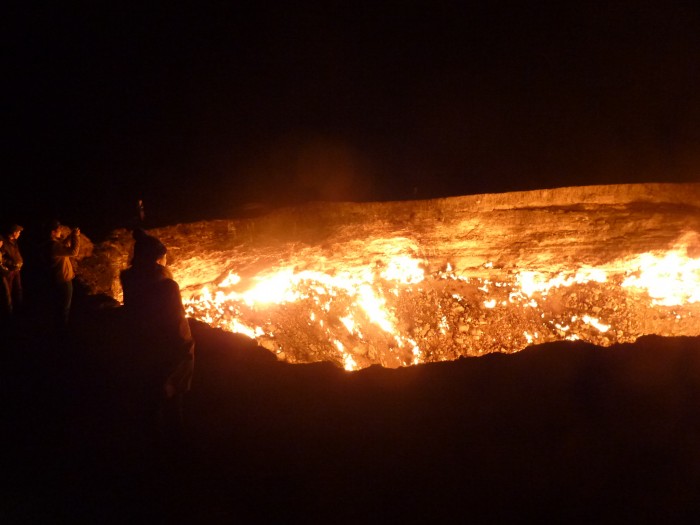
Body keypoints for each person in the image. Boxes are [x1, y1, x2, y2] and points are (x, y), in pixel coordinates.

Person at [119, 228, 195, 442]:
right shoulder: (167, 285)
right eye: (163, 256)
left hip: (141, 346)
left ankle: (150, 440)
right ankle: (174, 444)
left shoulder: (131, 278)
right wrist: (186, 348)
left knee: (149, 396)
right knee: (171, 397)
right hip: (166, 348)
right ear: (157, 258)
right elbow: (176, 322)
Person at [48, 220, 81, 329]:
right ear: (52, 232)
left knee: (59, 306)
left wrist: (70, 236)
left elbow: (64, 246)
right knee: (64, 308)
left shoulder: (53, 244)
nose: (60, 232)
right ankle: (62, 330)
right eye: (58, 230)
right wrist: (76, 236)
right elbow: (73, 252)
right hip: (63, 281)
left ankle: (58, 327)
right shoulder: (54, 246)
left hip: (60, 279)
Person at [1, 224, 24, 313]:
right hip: (9, 271)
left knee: (18, 288)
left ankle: (20, 308)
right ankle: (9, 310)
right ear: (13, 233)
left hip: (17, 270)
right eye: (18, 232)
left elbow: (16, 254)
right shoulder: (4, 243)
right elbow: (2, 258)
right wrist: (12, 264)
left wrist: (18, 263)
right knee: (9, 290)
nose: (19, 234)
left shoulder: (14, 242)